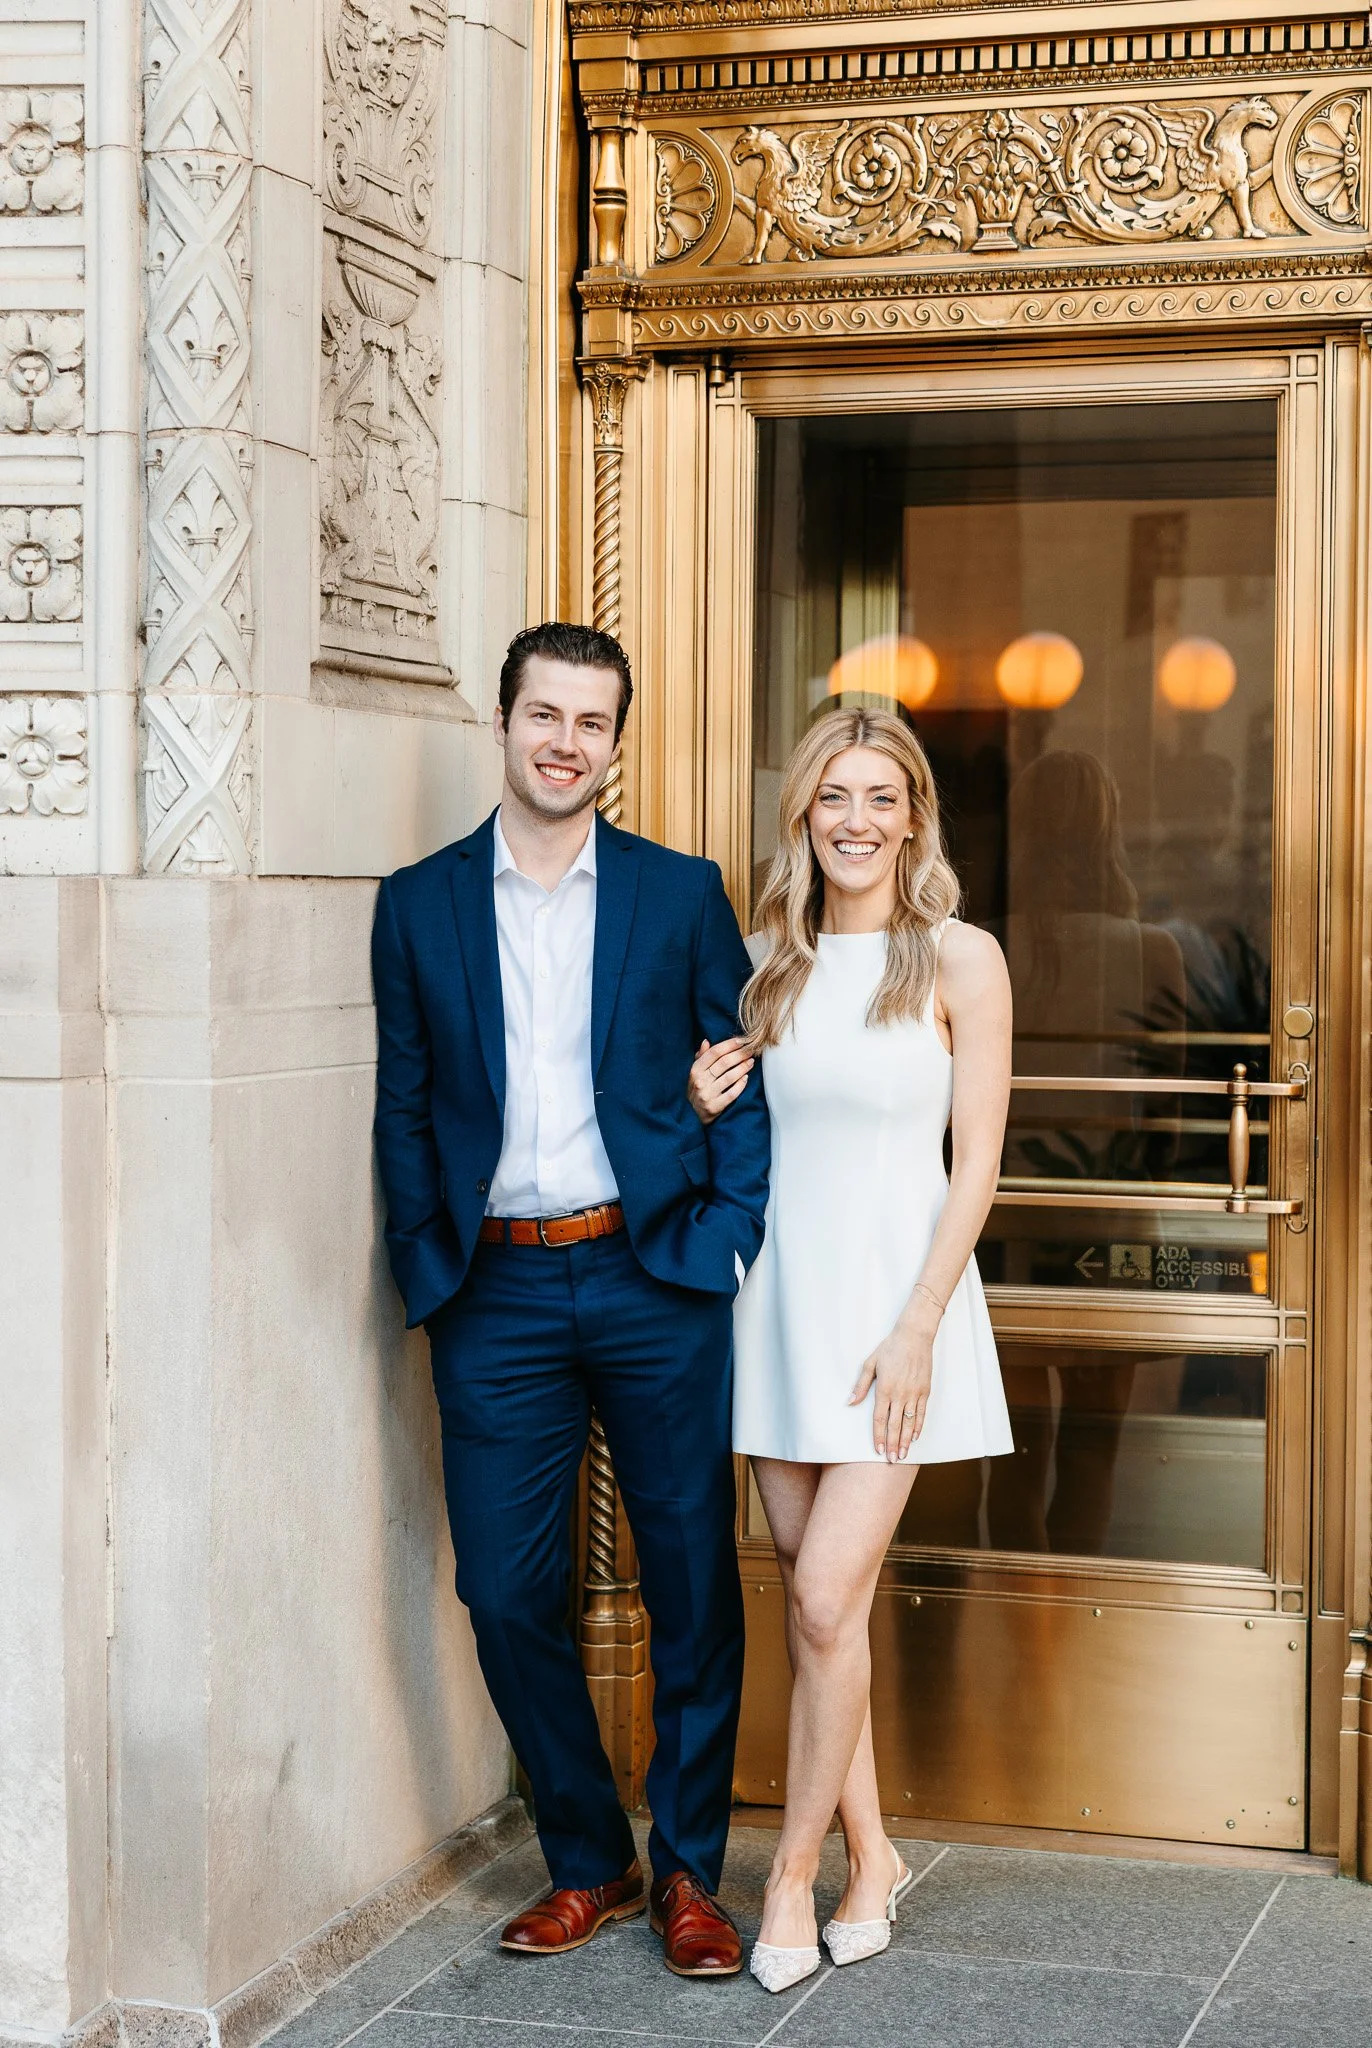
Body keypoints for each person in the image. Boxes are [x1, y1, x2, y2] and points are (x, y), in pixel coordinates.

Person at [371, 622, 770, 1977]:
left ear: (616, 743)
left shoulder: (678, 894)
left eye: (591, 723)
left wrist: (723, 1237)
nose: (565, 743)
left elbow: (737, 1071)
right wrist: (431, 1266)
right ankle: (589, 1860)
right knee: (502, 1589)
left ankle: (693, 1877)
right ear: (504, 721)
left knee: (693, 1589)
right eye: (545, 716)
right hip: (496, 1291)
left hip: (652, 1276)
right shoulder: (418, 904)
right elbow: (407, 1103)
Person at [688, 706, 1013, 1991]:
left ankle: (787, 1873)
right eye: (834, 796)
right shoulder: (765, 961)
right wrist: (705, 1096)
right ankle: (873, 1852)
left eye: (881, 797)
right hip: (776, 1308)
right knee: (826, 1610)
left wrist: (921, 1323)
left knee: (824, 1596)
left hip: (901, 1316)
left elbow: (977, 1160)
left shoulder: (958, 958)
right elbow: (746, 1147)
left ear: (915, 815)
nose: (856, 820)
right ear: (804, 815)